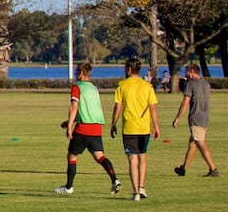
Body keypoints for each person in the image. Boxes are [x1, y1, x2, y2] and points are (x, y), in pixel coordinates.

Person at [56, 62, 122, 196]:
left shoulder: (77, 87)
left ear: (81, 72)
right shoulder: (93, 88)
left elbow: (75, 107)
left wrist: (70, 126)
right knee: (100, 156)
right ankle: (115, 180)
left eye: (76, 71)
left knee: (72, 155)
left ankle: (69, 187)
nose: (75, 74)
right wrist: (69, 121)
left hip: (83, 128)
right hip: (96, 128)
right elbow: (88, 109)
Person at [110, 58, 161, 201]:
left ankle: (135, 193)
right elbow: (152, 107)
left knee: (133, 159)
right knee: (143, 157)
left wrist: (113, 124)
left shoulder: (122, 86)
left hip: (129, 128)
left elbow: (118, 106)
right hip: (144, 128)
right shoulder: (147, 86)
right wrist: (156, 126)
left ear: (129, 69)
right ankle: (142, 187)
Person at [172, 64, 219, 177]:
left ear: (192, 72)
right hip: (205, 117)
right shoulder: (206, 83)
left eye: (187, 72)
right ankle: (183, 168)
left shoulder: (191, 84)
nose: (185, 75)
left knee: (200, 142)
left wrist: (177, 118)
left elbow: (185, 102)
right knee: (193, 143)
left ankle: (213, 169)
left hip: (196, 117)